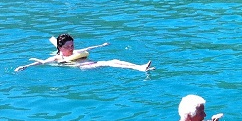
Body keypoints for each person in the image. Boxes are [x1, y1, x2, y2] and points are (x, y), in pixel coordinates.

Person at [14, 33, 153, 72]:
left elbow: (91, 48)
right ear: (60, 48)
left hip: (93, 63)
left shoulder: (76, 51)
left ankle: (140, 67)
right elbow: (43, 62)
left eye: (72, 45)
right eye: (68, 46)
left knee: (114, 60)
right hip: (85, 68)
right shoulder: (58, 58)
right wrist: (26, 66)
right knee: (111, 63)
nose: (72, 48)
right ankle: (140, 68)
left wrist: (102, 45)